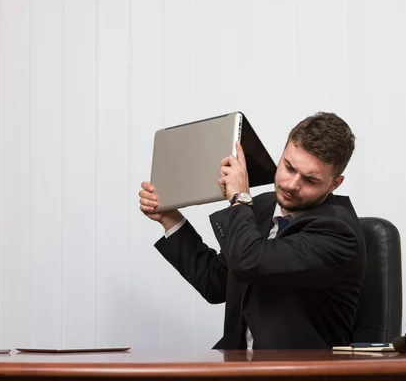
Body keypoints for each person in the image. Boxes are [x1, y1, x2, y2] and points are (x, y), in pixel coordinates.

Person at [138, 112, 366, 349]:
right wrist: (169, 218)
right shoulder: (262, 207)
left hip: (298, 372)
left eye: (310, 180)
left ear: (334, 184)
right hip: (240, 366)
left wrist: (239, 197)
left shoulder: (338, 232)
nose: (291, 184)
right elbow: (215, 283)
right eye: (289, 167)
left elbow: (250, 260)